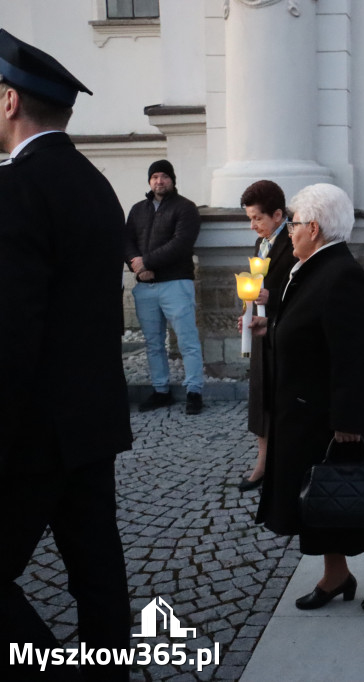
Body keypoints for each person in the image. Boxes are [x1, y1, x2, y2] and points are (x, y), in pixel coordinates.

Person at [0, 29, 133, 680]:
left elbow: (13, 329)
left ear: (8, 103)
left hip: (32, 430)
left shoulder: (17, 188)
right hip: (92, 417)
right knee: (96, 571)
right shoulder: (93, 183)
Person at [251, 183, 364, 612]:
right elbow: (312, 329)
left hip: (329, 415)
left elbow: (355, 358)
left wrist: (348, 421)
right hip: (304, 409)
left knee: (339, 495)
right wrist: (275, 330)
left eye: (295, 224)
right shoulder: (315, 266)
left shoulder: (342, 276)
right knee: (314, 498)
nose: (289, 232)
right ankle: (335, 574)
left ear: (314, 228)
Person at [125, 158, 205, 414]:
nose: (159, 181)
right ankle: (161, 390)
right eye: (155, 177)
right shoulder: (138, 209)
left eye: (164, 176)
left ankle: (194, 391)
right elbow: (127, 241)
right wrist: (137, 266)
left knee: (187, 340)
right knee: (153, 342)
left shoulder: (186, 208)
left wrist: (146, 261)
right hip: (145, 288)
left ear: (172, 180)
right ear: (149, 181)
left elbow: (181, 243)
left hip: (176, 284)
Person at [238, 180, 298, 492]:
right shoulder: (263, 242)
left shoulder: (295, 239)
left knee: (282, 400)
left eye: (257, 218)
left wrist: (270, 298)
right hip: (262, 329)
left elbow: (302, 289)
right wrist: (247, 313)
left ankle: (280, 464)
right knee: (261, 399)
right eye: (250, 218)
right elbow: (255, 285)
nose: (253, 226)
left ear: (277, 214)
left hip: (286, 330)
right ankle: (263, 461)